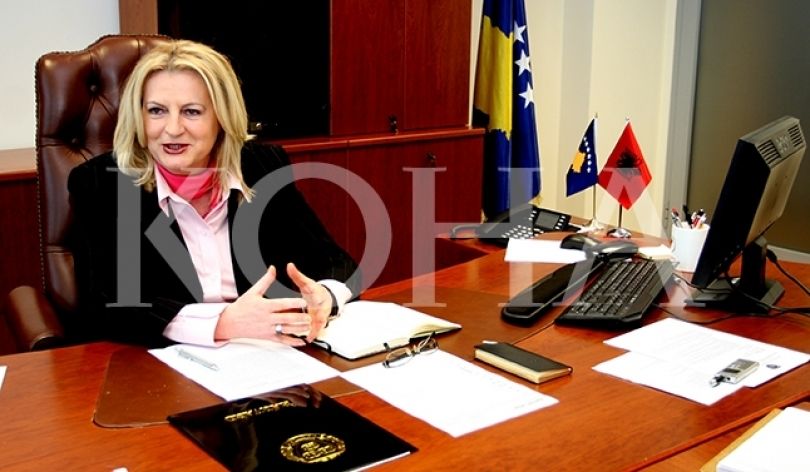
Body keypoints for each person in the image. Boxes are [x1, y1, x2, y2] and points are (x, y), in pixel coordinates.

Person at [68, 39, 360, 347]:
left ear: (221, 117)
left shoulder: (261, 167)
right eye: (156, 111)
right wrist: (221, 323)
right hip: (156, 359)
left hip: (264, 353)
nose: (172, 128)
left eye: (191, 112)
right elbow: (106, 305)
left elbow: (336, 262)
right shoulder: (102, 183)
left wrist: (326, 296)